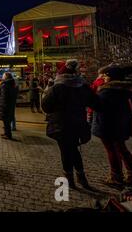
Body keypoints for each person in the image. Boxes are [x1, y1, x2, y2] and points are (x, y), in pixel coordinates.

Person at [42, 59, 98, 189]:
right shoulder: (82, 87)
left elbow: (46, 106)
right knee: (73, 149)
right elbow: (95, 102)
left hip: (61, 125)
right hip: (78, 123)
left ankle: (70, 178)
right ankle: (81, 176)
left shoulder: (57, 88)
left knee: (66, 151)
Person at [93, 65, 132, 187]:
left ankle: (116, 176)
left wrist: (97, 87)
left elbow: (97, 105)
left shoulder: (108, 90)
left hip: (108, 124)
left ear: (111, 77)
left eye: (105, 75)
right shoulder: (127, 89)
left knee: (112, 150)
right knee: (122, 148)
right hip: (122, 123)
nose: (103, 78)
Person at [0, 72, 17, 140]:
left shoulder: (5, 85)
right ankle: (6, 133)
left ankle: (8, 135)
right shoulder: (12, 84)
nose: (2, 77)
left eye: (3, 76)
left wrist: (1, 106)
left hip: (5, 105)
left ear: (6, 77)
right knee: (6, 120)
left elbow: (3, 97)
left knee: (6, 121)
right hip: (10, 105)